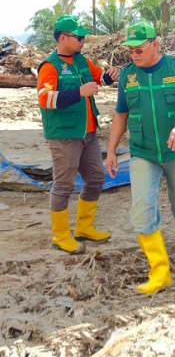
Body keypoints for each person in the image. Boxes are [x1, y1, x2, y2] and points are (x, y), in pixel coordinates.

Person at [105, 22, 175, 294]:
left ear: (156, 44)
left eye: (139, 49)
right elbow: (121, 114)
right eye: (130, 50)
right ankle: (160, 271)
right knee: (141, 211)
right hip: (143, 152)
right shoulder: (128, 76)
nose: (134, 55)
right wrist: (111, 150)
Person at [37, 15, 118, 253]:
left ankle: (84, 228)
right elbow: (45, 99)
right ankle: (60, 236)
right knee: (63, 185)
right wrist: (78, 92)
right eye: (78, 37)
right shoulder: (50, 66)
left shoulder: (82, 60)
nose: (83, 41)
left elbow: (97, 78)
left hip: (89, 133)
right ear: (63, 38)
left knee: (95, 179)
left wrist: (108, 77)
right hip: (64, 135)